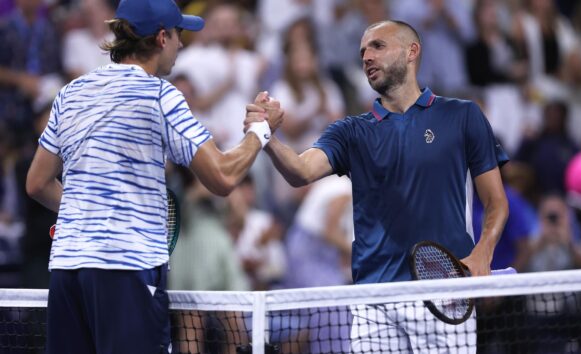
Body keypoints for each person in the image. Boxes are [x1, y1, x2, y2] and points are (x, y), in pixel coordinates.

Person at [24, 0, 283, 353]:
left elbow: (36, 183)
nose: (181, 45)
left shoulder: (70, 93)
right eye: (178, 35)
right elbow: (222, 177)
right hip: (126, 271)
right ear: (162, 38)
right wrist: (260, 132)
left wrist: (84, 212)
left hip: (68, 272)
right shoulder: (159, 95)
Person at [246, 20, 509, 353]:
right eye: (362, 52)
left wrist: (483, 253)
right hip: (374, 300)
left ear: (412, 51)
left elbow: (496, 201)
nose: (367, 56)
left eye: (378, 46)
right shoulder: (351, 132)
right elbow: (300, 171)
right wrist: (265, 135)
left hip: (444, 292)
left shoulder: (462, 116)